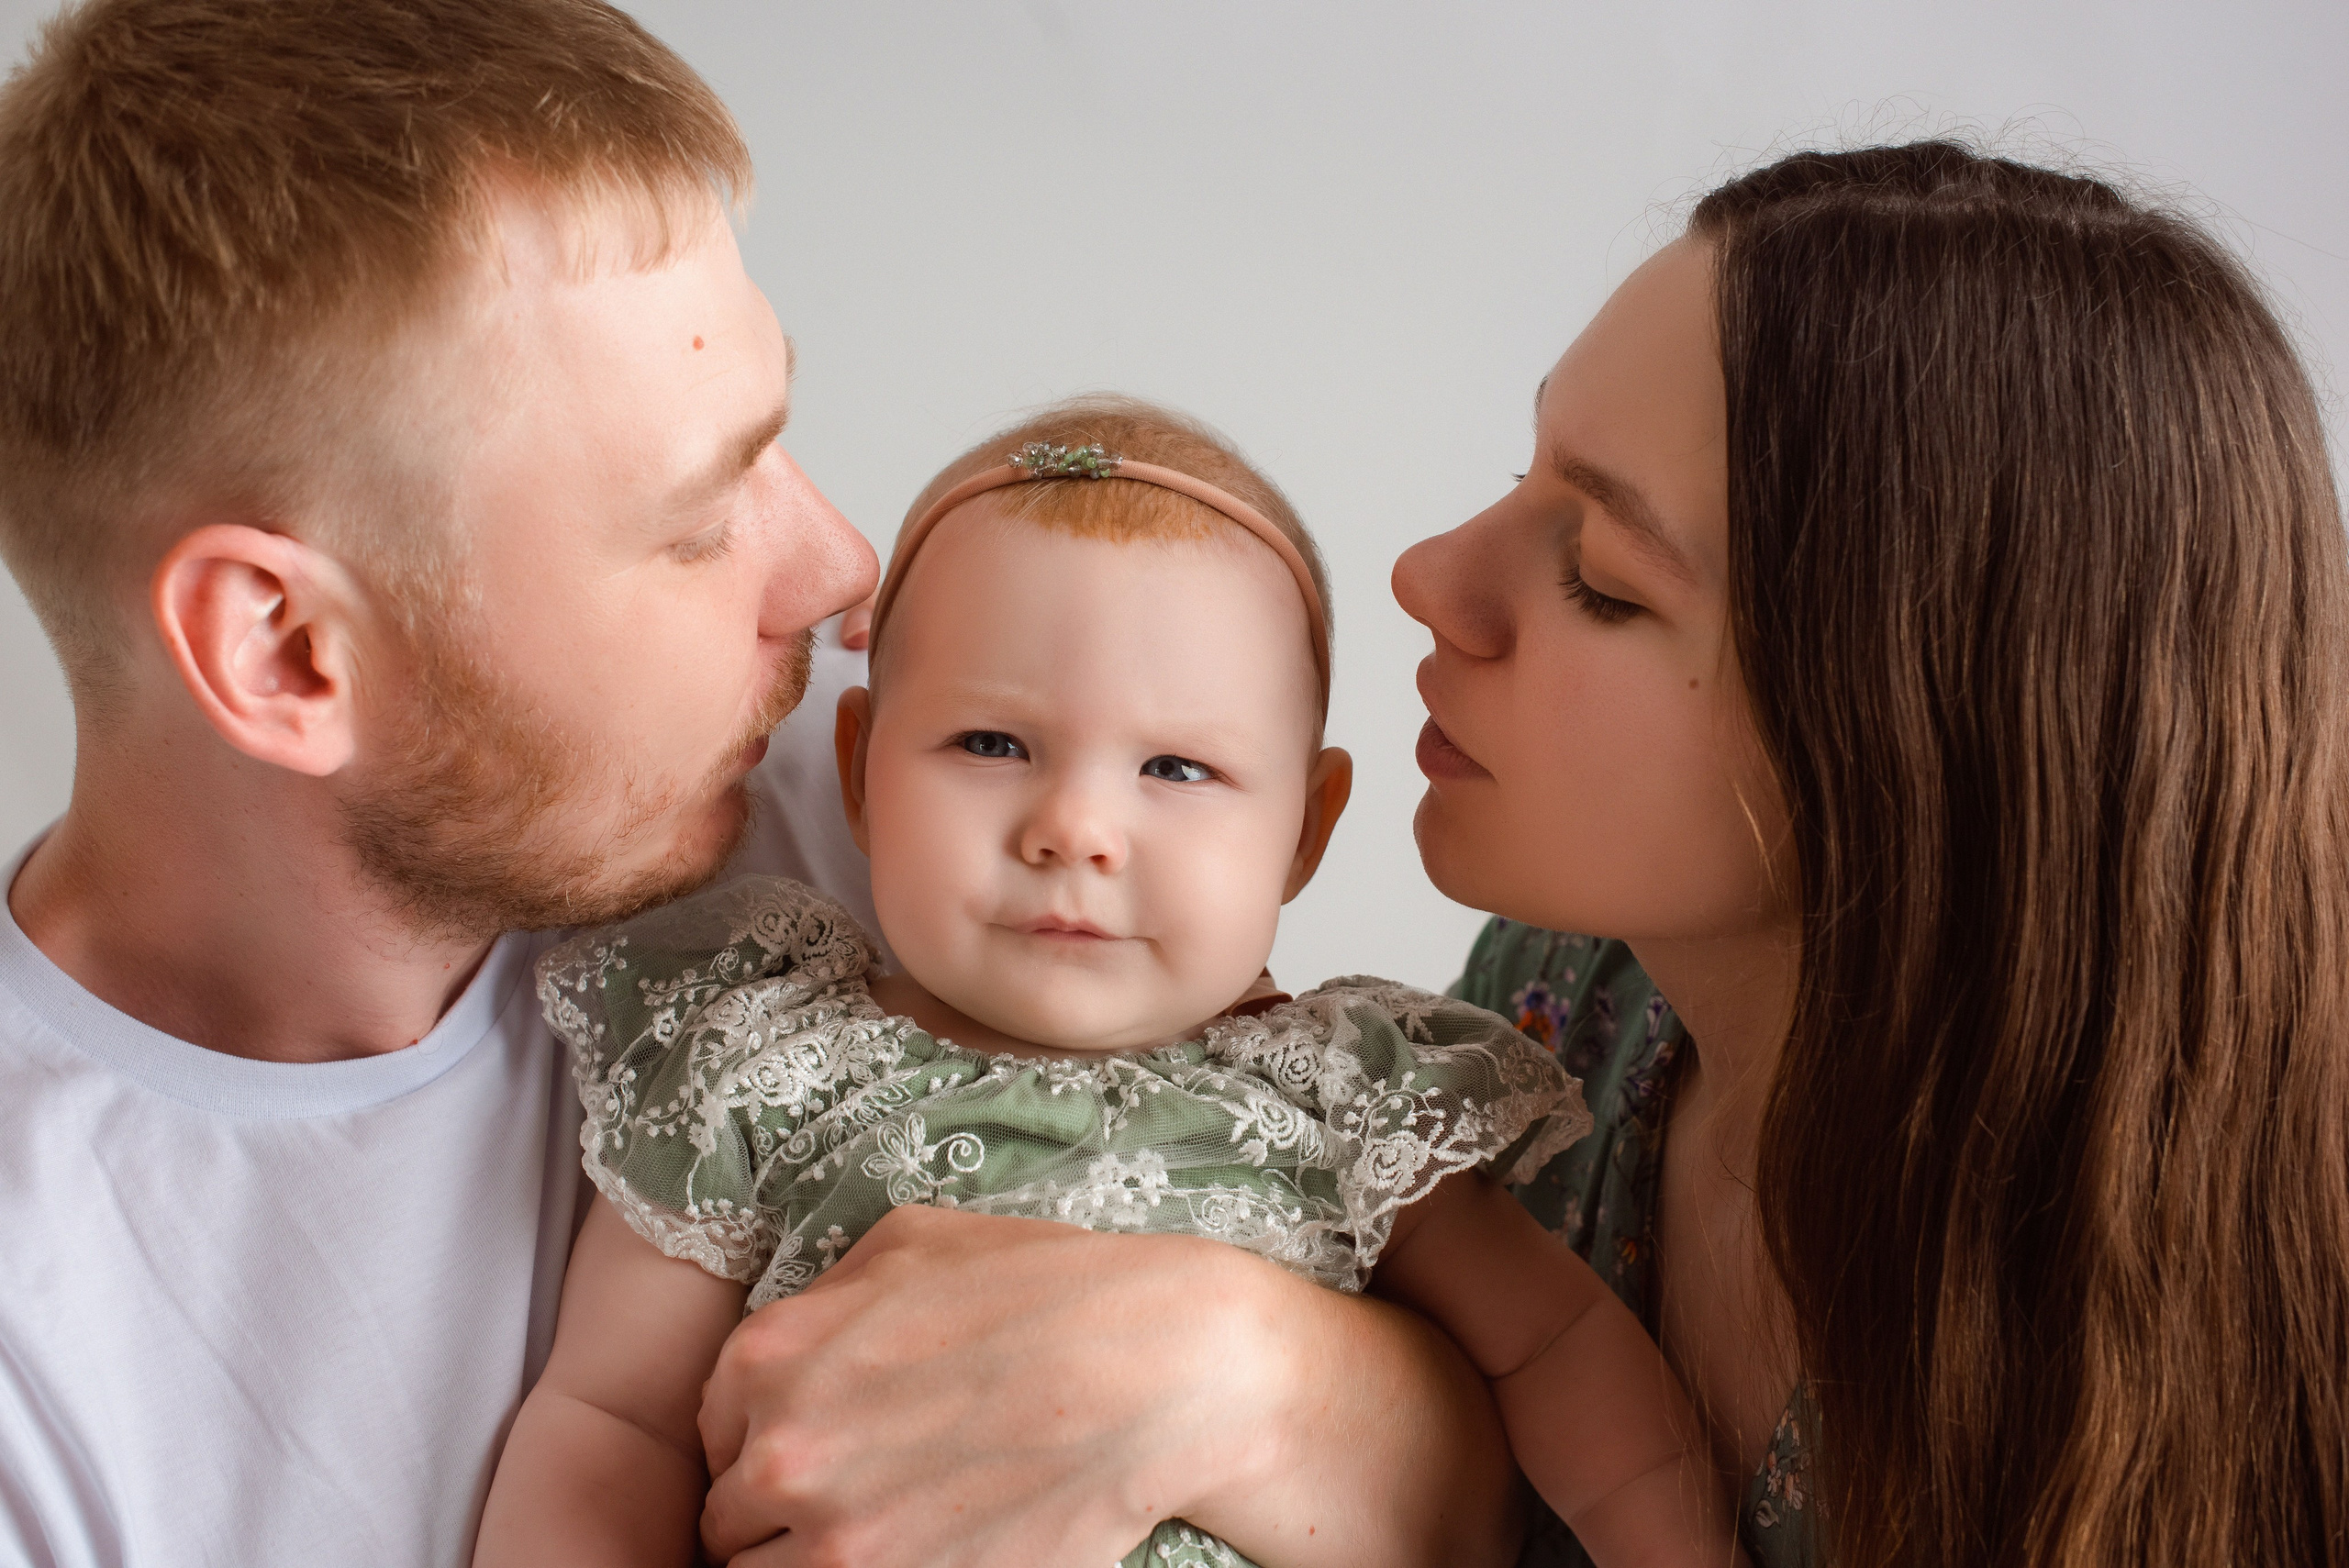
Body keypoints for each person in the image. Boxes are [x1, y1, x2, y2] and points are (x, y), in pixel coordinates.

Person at [0, 4, 1515, 1565]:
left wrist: (1239, 1375)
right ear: (288, 650)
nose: (843, 569)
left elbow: (1483, 1480)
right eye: (696, 519)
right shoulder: (40, 1373)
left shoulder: (863, 810)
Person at [473, 397, 1745, 1568]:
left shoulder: (1350, 1100)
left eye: (1177, 769)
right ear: (858, 773)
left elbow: (1561, 1352)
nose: (1075, 828)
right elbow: (609, 1423)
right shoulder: (761, 1060)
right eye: (991, 742)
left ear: (1304, 830)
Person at [1394, 141, 2349, 1567]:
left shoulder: (2254, 1346)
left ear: (1915, 744)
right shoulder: (1553, 1013)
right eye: (1516, 473)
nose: (1427, 575)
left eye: (1601, 578)